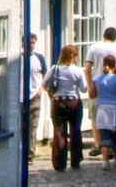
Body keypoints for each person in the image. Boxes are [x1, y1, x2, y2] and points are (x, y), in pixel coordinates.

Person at [43, 44, 88, 172]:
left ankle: (59, 163)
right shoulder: (77, 70)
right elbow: (84, 89)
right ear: (73, 56)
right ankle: (75, 160)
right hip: (74, 102)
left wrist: (52, 95)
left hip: (58, 103)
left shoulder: (54, 69)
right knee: (75, 131)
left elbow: (45, 84)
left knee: (59, 132)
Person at [84, 27, 116, 156]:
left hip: (97, 85)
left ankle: (98, 145)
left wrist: (91, 85)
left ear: (104, 35)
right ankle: (112, 147)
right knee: (113, 120)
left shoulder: (94, 47)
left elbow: (87, 68)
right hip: (112, 87)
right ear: (115, 37)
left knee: (96, 118)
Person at [89, 54, 116, 170]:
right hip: (115, 109)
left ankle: (105, 161)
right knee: (115, 135)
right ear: (113, 64)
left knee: (104, 135)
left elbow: (92, 94)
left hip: (102, 109)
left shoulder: (97, 78)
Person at [25, 33, 48, 158]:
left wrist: (41, 89)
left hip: (34, 95)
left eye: (33, 43)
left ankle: (30, 152)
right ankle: (21, 150)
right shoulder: (19, 57)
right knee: (21, 125)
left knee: (33, 125)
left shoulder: (39, 58)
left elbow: (46, 76)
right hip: (20, 96)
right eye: (29, 42)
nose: (31, 45)